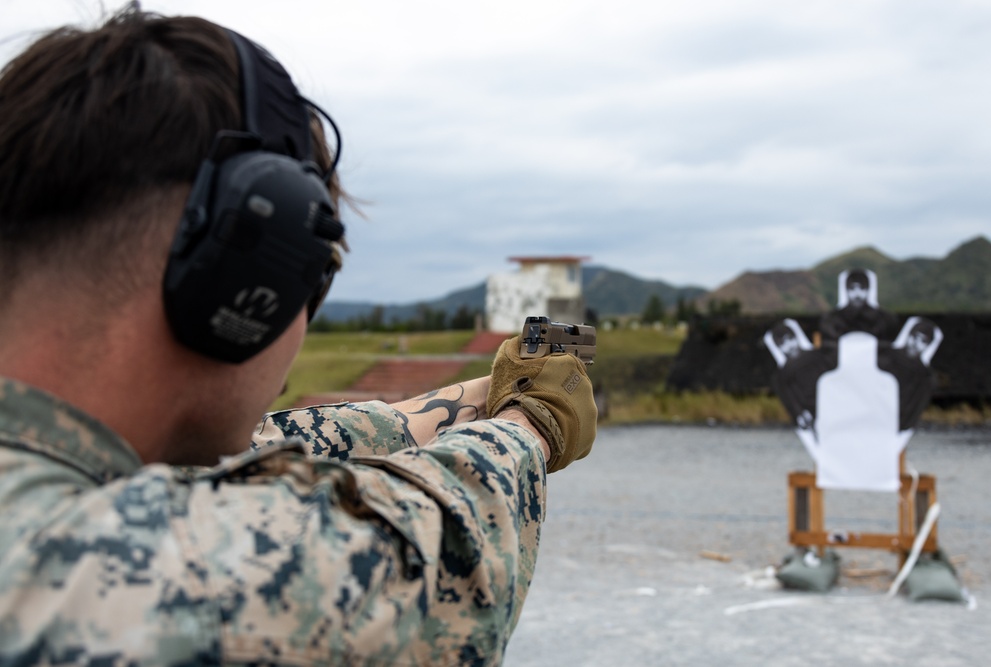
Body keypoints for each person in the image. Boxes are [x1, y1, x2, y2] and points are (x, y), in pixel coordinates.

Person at [0, 7, 598, 665]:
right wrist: (533, 420)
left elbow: (299, 439)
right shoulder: (122, 568)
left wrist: (498, 389)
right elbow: (436, 554)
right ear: (248, 279)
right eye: (315, 271)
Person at [818, 268, 899, 344]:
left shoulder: (885, 319)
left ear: (868, 289)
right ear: (846, 290)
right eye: (852, 288)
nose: (857, 294)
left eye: (862, 288)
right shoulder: (831, 320)